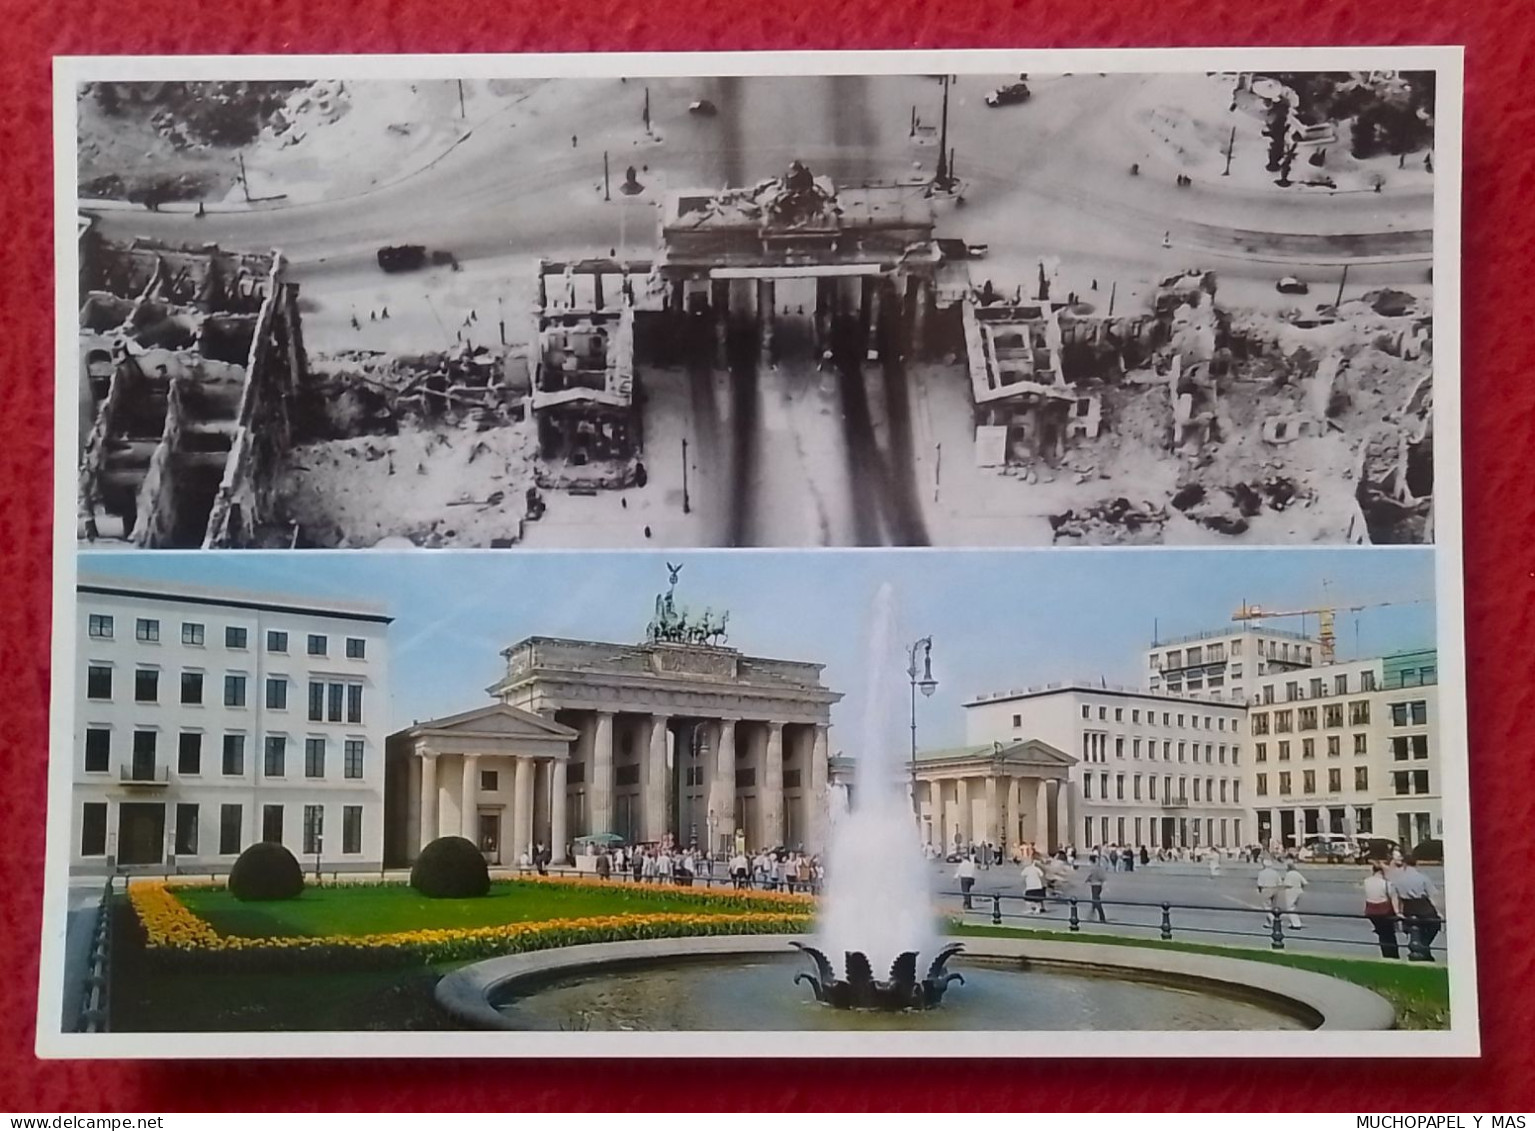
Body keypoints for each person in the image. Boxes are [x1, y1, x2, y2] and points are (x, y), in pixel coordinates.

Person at [1393, 854, 1441, 961]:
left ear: (1404, 864)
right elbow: (1432, 896)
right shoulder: (1422, 877)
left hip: (1408, 907)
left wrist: (1398, 912)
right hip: (1423, 906)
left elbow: (1396, 897)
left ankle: (1420, 948)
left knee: (1415, 929)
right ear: (1416, 864)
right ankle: (1424, 946)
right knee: (1435, 924)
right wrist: (1438, 911)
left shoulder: (1398, 880)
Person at [1363, 861, 1400, 958]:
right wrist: (1398, 913)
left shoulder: (1366, 881)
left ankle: (1385, 954)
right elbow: (1393, 899)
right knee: (1389, 935)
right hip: (1384, 911)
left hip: (1371, 911)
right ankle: (1392, 955)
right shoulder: (1387, 884)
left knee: (1382, 934)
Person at [1282, 861, 1308, 929]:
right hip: (1299, 890)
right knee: (1294, 907)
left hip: (1291, 891)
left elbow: (1287, 884)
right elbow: (1305, 883)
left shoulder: (1289, 874)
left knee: (1290, 908)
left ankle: (1295, 924)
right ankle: (1295, 922)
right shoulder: (1297, 873)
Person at [1084, 854, 1108, 923]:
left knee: (1096, 901)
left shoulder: (1095, 868)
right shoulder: (1096, 867)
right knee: (1094, 900)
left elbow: (1100, 877)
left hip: (1096, 886)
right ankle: (1091, 914)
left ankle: (1102, 917)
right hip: (1096, 885)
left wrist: (1089, 879)